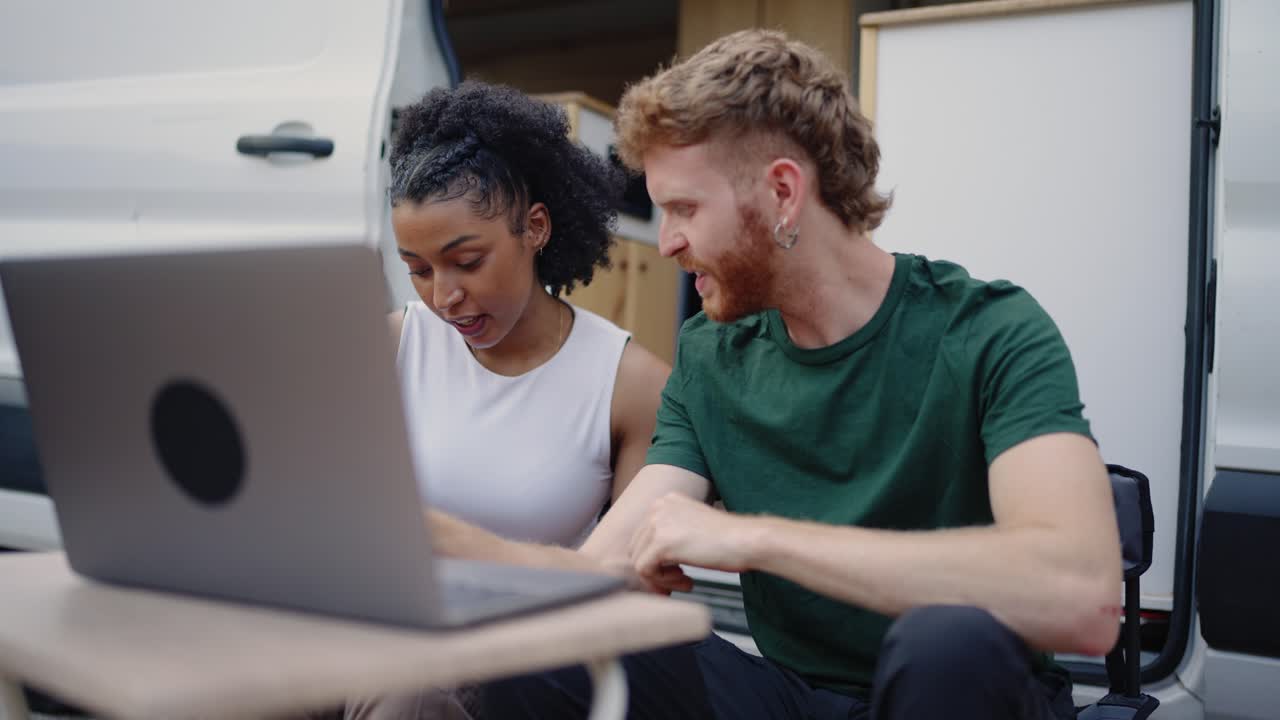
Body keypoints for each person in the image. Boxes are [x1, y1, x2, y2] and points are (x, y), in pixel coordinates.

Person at [474, 29, 1124, 720]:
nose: (666, 242)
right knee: (551, 644)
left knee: (948, 641)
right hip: (789, 699)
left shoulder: (991, 331)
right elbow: (601, 567)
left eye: (685, 209)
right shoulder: (710, 357)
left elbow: (1082, 601)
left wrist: (756, 539)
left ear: (783, 192)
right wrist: (439, 548)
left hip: (957, 692)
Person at [322, 82, 670, 720]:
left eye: (467, 261)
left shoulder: (629, 384)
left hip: (512, 663)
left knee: (410, 690)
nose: (444, 297)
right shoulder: (393, 348)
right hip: (368, 620)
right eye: (419, 270)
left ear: (534, 228)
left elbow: (639, 603)